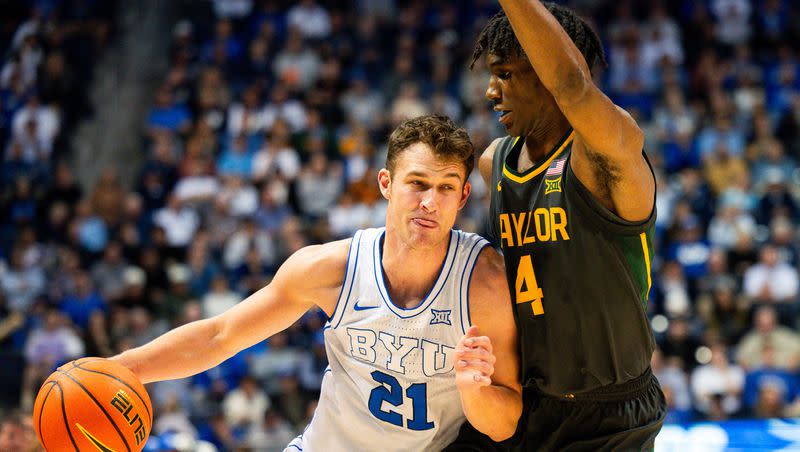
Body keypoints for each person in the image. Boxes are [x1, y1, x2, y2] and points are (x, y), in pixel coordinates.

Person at [111, 115, 521, 451]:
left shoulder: (485, 285)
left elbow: (504, 424)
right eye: (417, 183)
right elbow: (220, 335)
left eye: (446, 188)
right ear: (386, 184)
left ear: (464, 196)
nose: (430, 201)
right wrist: (120, 368)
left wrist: (475, 393)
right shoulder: (330, 268)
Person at [447, 2, 665, 451]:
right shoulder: (496, 164)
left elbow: (573, 87)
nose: (490, 91)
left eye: (505, 73)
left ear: (545, 71)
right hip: (529, 401)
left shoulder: (606, 154)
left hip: (610, 416)